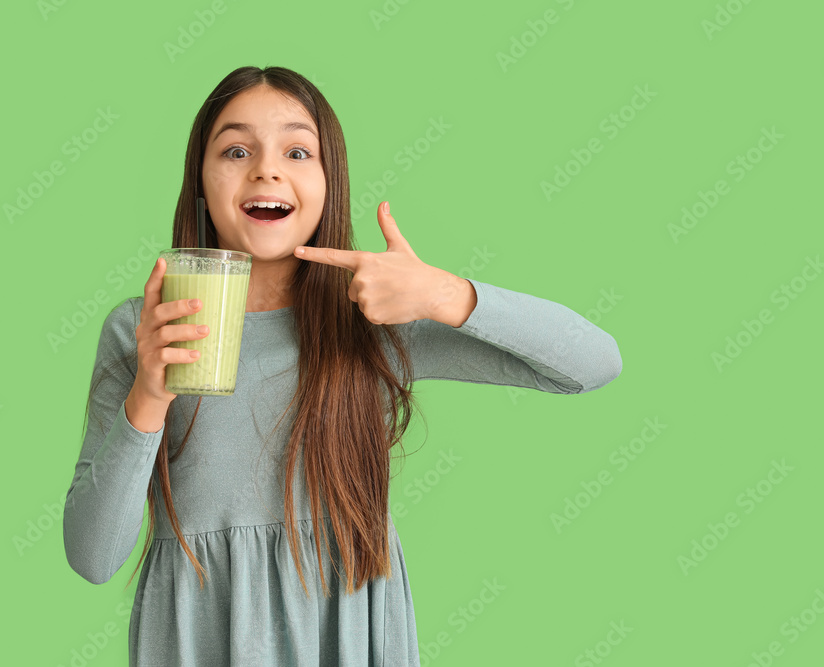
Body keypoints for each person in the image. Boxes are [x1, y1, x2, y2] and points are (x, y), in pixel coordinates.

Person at [63, 65, 622, 666]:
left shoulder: (375, 315)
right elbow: (93, 557)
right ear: (200, 178)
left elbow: (592, 363)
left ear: (330, 182)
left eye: (297, 150)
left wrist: (441, 293)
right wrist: (149, 393)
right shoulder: (144, 329)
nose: (266, 169)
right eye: (235, 149)